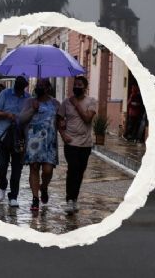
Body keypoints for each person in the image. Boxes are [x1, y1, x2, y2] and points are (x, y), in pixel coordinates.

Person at [19, 78, 61, 212]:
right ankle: (35, 199)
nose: (39, 87)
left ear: (48, 88)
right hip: (33, 142)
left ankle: (44, 187)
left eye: (42, 85)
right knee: (34, 168)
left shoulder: (55, 103)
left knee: (48, 170)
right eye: (38, 85)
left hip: (49, 142)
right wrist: (32, 110)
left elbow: (60, 121)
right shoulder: (30, 102)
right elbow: (21, 120)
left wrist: (63, 126)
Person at [57, 76, 97, 214]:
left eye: (80, 85)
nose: (77, 87)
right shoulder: (66, 103)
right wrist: (63, 134)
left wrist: (76, 104)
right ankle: (69, 200)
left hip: (85, 144)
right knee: (73, 169)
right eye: (75, 84)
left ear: (85, 88)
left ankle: (74, 199)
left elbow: (87, 118)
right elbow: (58, 120)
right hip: (71, 142)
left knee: (80, 172)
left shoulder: (91, 101)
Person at [0, 76, 29, 207]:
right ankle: (2, 186)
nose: (20, 84)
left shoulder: (28, 99)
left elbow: (30, 119)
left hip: (19, 139)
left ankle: (13, 196)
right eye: (19, 81)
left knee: (17, 169)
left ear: (26, 84)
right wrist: (7, 115)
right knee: (2, 166)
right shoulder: (4, 94)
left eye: (23, 82)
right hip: (2, 136)